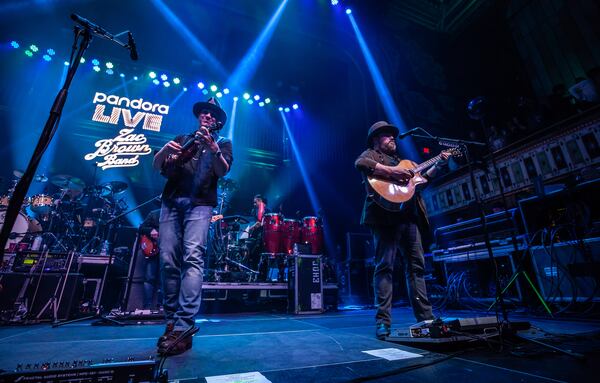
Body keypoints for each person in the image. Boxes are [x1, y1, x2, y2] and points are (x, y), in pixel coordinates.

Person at [152, 97, 233, 355]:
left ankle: (184, 326)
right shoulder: (182, 138)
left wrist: (213, 149)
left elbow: (223, 171)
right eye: (204, 112)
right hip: (172, 202)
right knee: (167, 260)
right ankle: (171, 321)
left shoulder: (222, 142)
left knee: (193, 259)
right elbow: (158, 167)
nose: (207, 115)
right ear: (199, 116)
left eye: (212, 114)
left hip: (200, 205)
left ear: (218, 121)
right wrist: (164, 151)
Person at [355, 121, 448, 340]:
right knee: (385, 267)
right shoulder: (372, 155)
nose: (392, 139)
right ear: (376, 140)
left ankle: (425, 317)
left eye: (392, 136)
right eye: (386, 136)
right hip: (384, 217)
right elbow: (360, 163)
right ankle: (383, 322)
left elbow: (421, 183)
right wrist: (393, 172)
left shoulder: (407, 163)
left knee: (417, 267)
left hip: (409, 217)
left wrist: (439, 164)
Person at [138, 209, 161, 309]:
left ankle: (163, 308)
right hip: (153, 250)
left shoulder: (178, 214)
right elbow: (141, 228)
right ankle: (146, 307)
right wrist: (151, 230)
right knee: (149, 278)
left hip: (169, 251)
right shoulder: (155, 213)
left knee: (165, 279)